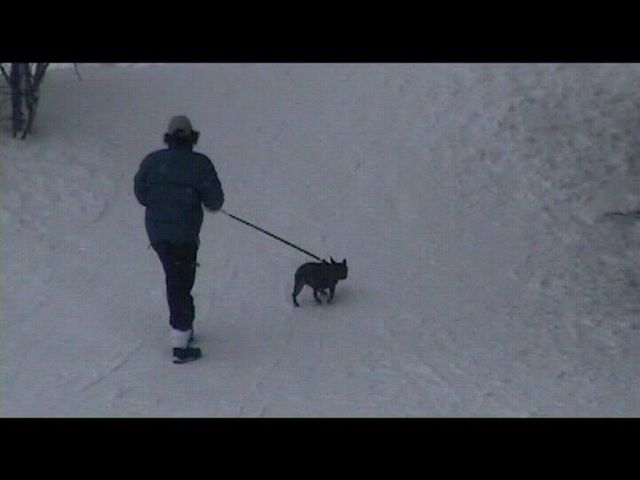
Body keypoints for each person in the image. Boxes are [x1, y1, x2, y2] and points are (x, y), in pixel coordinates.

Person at [134, 115, 224, 364]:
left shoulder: (153, 162)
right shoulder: (199, 164)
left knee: (177, 279)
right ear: (191, 136)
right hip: (184, 235)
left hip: (158, 234)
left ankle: (184, 328)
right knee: (180, 283)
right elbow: (215, 201)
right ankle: (180, 341)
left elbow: (141, 194)